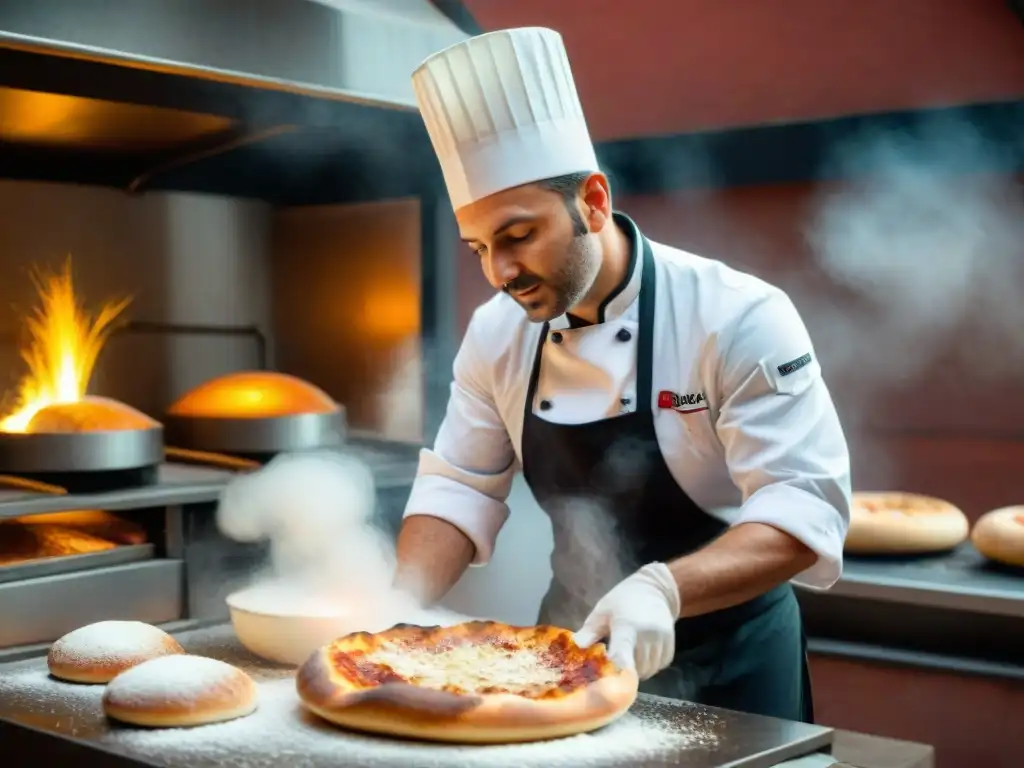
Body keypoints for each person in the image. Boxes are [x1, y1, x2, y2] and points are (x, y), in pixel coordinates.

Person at [393, 26, 851, 724]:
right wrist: (394, 611)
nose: (499, 273)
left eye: (518, 237)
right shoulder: (496, 333)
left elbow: (802, 509)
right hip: (569, 656)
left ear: (594, 201)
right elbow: (457, 488)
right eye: (480, 247)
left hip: (735, 665)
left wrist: (661, 590)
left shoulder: (738, 317)